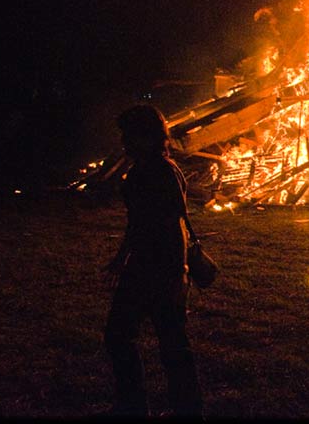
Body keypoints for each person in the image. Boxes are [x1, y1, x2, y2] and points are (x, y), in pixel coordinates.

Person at [103, 104, 203, 418]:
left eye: (129, 136)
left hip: (160, 269)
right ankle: (134, 406)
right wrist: (123, 256)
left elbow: (176, 226)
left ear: (146, 136)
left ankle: (183, 411)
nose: (125, 143)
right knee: (123, 335)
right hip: (142, 265)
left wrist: (179, 273)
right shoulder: (144, 169)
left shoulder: (161, 172)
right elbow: (138, 222)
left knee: (170, 344)